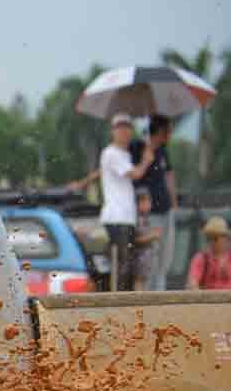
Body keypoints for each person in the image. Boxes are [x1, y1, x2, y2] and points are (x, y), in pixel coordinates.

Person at [69, 114, 155, 291]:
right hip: (117, 217)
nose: (124, 131)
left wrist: (83, 183)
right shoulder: (111, 153)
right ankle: (119, 302)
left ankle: (120, 298)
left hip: (126, 217)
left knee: (126, 263)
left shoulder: (123, 154)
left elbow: (101, 171)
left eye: (127, 127)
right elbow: (135, 174)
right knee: (122, 265)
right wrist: (146, 161)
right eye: (119, 127)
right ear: (113, 131)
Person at [129, 114, 178, 290]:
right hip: (150, 212)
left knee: (166, 255)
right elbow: (134, 177)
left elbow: (168, 174)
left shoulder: (162, 151)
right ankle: (150, 294)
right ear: (160, 131)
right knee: (151, 256)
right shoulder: (138, 147)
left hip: (166, 209)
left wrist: (174, 201)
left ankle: (161, 291)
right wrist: (145, 158)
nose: (170, 134)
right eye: (168, 131)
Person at [187, 215, 231, 290]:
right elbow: (192, 282)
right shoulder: (201, 259)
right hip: (208, 300)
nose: (212, 242)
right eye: (209, 238)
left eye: (215, 238)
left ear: (226, 237)